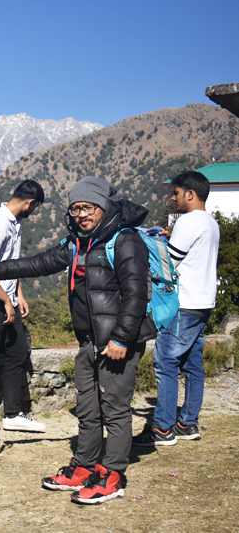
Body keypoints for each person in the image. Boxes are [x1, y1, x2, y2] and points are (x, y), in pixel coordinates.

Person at [0, 176, 156, 505]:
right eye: (75, 209)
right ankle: (84, 466)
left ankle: (112, 474)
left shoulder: (125, 240)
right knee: (88, 410)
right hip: (89, 342)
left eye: (87, 207)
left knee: (114, 410)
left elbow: (135, 295)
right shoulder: (79, 242)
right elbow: (40, 262)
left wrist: (121, 338)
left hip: (119, 343)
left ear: (102, 206)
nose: (81, 214)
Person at [133, 171, 220, 446]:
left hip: (184, 304)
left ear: (190, 194)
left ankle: (162, 428)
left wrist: (147, 243)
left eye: (176, 193)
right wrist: (168, 238)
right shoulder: (210, 222)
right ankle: (188, 423)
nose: (173, 198)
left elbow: (168, 265)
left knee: (166, 362)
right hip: (204, 302)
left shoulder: (188, 222)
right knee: (193, 365)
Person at [0, 180, 47, 441]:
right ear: (31, 203)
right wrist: (5, 301)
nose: (33, 212)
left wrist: (18, 295)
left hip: (6, 299)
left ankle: (13, 415)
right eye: (35, 208)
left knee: (17, 351)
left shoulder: (15, 222)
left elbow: (10, 264)